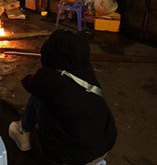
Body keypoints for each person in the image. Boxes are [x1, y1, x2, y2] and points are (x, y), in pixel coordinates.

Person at [8, 29, 117, 165]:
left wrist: (34, 78)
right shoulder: (86, 70)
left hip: (72, 156)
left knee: (39, 96)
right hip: (104, 143)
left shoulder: (49, 77)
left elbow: (29, 83)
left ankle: (22, 132)